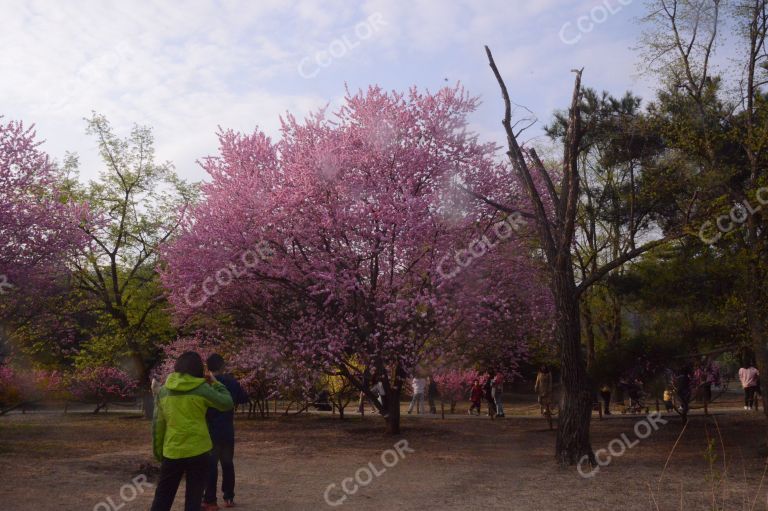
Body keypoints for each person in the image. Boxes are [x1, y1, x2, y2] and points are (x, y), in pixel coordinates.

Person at [150, 352, 234, 511]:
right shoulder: (201, 388)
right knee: (193, 500)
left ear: (176, 368)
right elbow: (227, 403)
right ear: (199, 370)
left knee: (162, 497)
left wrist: (159, 452)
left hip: (172, 451)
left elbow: (158, 426)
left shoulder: (163, 391)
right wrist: (215, 383)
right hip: (199, 451)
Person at [203, 354, 250, 510]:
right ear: (222, 366)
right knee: (228, 464)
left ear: (207, 367)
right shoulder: (231, 382)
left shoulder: (205, 384)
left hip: (210, 431)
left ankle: (210, 500)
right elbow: (244, 398)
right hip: (227, 430)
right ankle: (229, 497)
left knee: (211, 465)